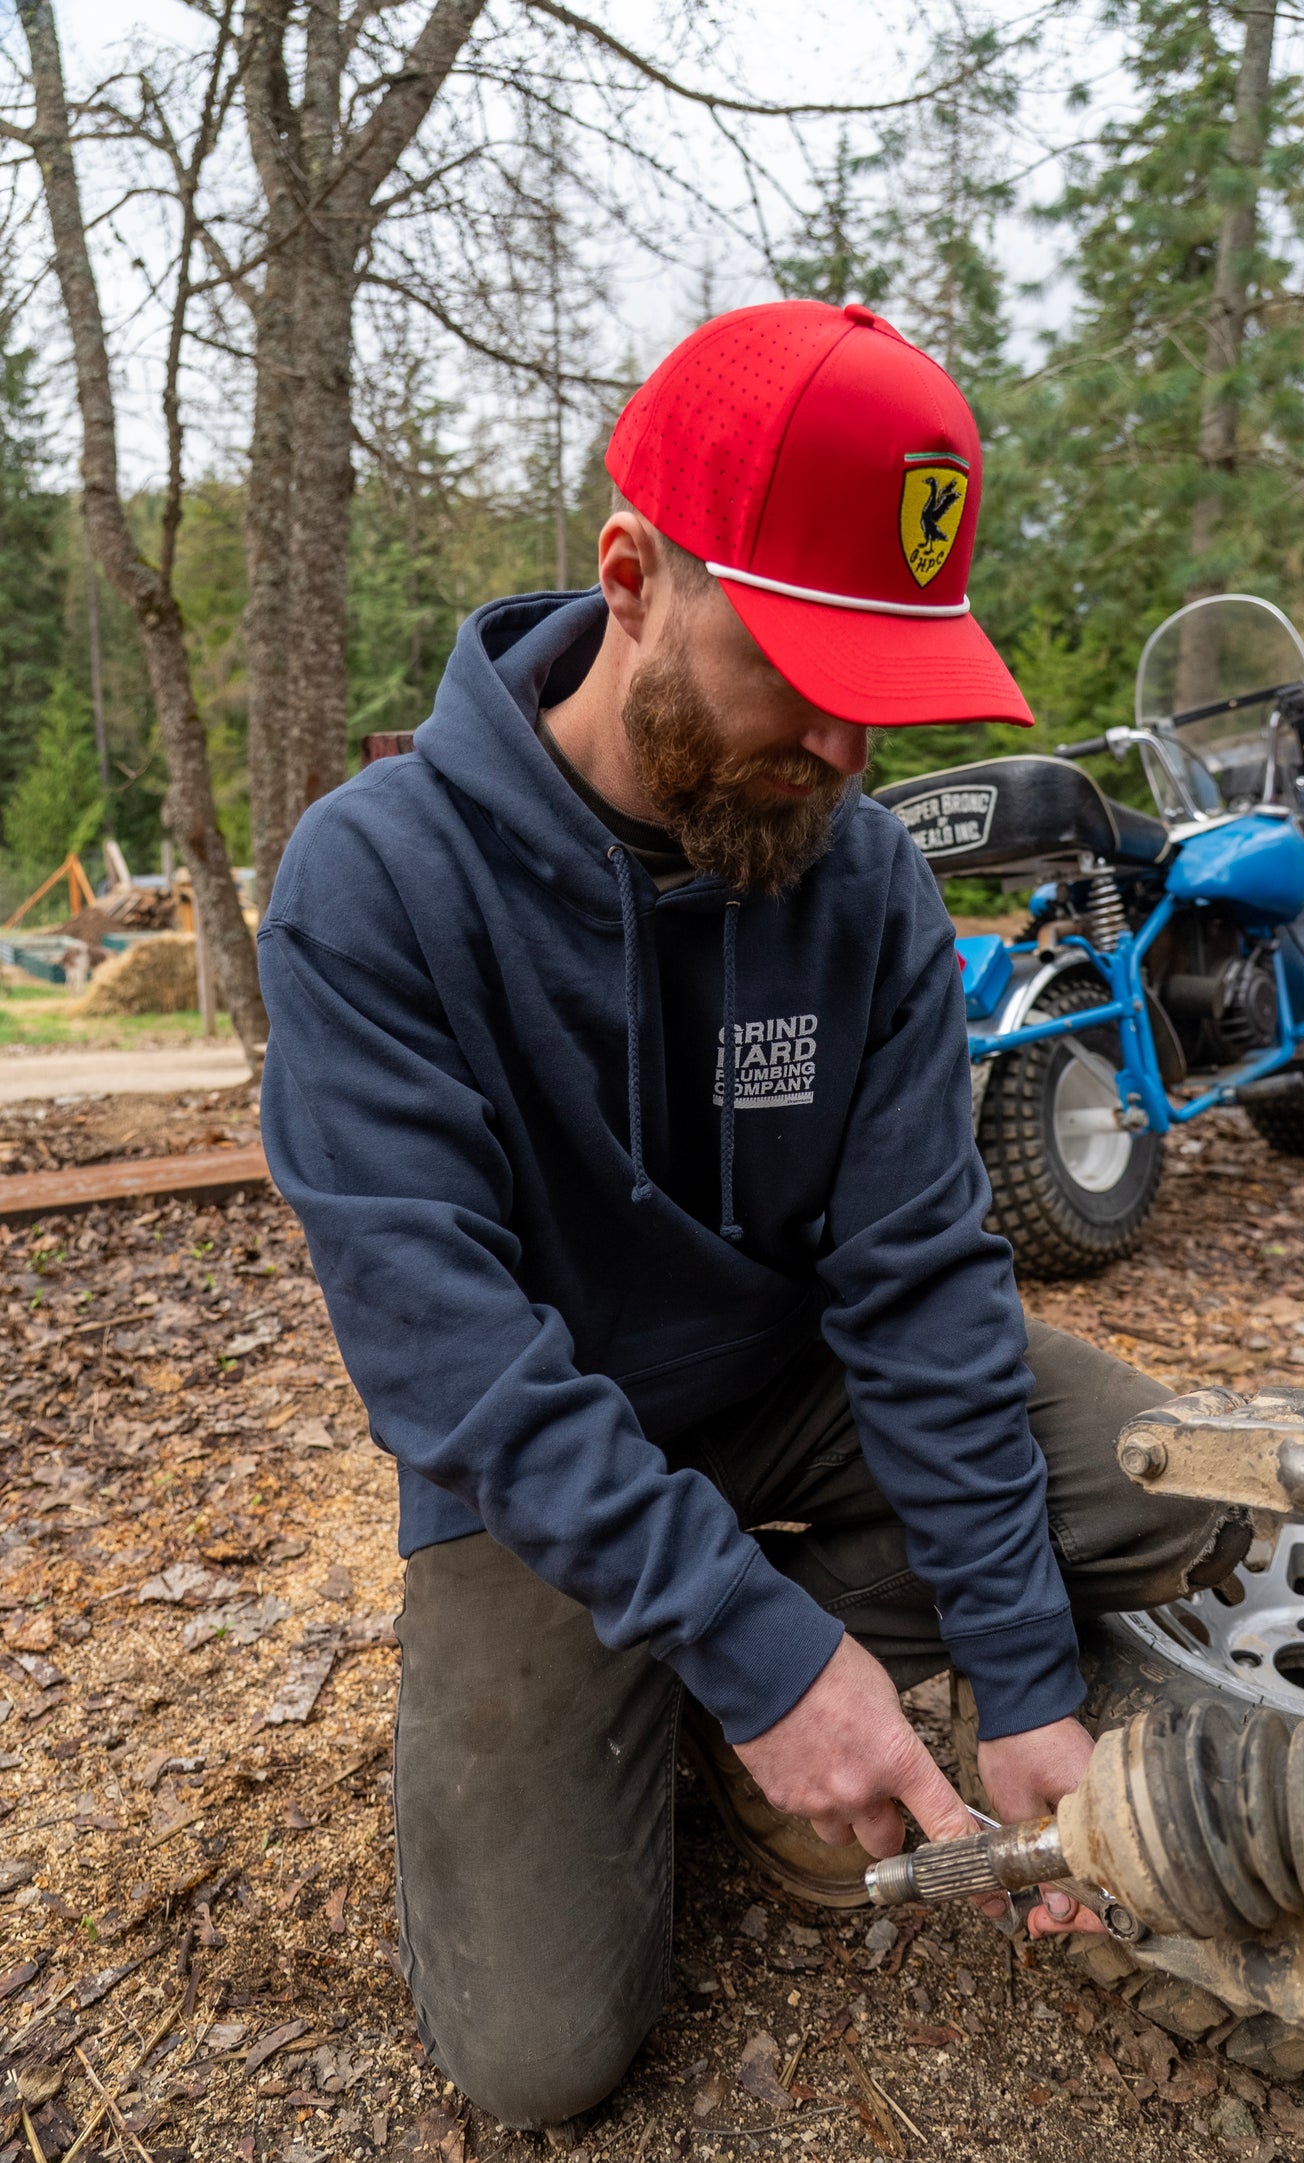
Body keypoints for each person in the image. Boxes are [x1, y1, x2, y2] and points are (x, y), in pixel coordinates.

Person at [259, 300, 1246, 2133]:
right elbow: (449, 1359)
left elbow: (918, 1281)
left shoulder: (853, 876)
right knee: (539, 2057)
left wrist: (1020, 1680)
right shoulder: (375, 884)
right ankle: (740, 1654)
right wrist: (770, 1664)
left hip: (791, 1384)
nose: (847, 751)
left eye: (886, 690)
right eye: (800, 672)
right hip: (537, 1456)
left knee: (1154, 1464)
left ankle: (777, 1635)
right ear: (632, 577)